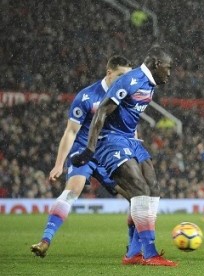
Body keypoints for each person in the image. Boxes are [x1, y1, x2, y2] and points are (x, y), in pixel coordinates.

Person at [70, 45, 177, 267]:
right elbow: (101, 111)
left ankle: (133, 253)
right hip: (110, 140)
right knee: (139, 187)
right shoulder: (131, 81)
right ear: (156, 65)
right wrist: (90, 149)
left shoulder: (150, 84)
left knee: (152, 186)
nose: (170, 73)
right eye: (168, 68)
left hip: (130, 139)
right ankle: (150, 253)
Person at [31, 55, 133, 258]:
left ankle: (133, 248)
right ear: (109, 73)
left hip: (110, 153)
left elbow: (131, 129)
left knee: (135, 196)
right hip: (83, 151)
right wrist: (59, 164)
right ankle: (45, 240)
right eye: (121, 75)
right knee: (73, 189)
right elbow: (70, 132)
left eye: (127, 77)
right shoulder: (87, 97)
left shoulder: (126, 97)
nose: (125, 81)